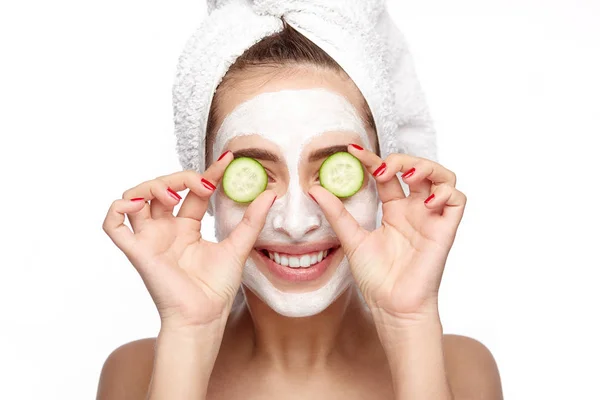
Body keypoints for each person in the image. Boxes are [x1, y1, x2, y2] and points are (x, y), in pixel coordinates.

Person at [98, 3, 503, 399]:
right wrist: (188, 333)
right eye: (253, 177)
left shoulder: (462, 370)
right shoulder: (136, 375)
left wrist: (409, 322)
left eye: (336, 172)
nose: (296, 222)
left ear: (384, 181)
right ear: (206, 189)